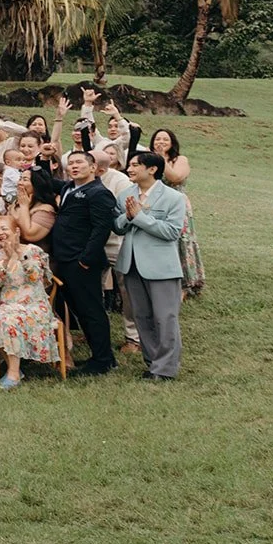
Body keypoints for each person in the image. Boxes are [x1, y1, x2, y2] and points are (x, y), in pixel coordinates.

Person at [115, 151, 187, 381]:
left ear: (152, 169)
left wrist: (140, 217)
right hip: (131, 265)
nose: (130, 168)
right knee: (142, 316)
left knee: (165, 318)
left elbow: (172, 232)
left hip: (161, 266)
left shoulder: (172, 197)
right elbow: (117, 226)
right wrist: (127, 216)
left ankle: (165, 368)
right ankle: (153, 362)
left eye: (136, 165)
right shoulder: (125, 194)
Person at [53, 149, 118, 375]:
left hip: (81, 262)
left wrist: (85, 260)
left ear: (93, 168)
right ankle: (101, 355)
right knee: (80, 311)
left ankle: (102, 361)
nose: (74, 166)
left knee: (92, 311)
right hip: (64, 259)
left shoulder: (99, 193)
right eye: (70, 163)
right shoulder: (68, 187)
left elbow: (102, 229)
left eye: (79, 162)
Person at [0, 214, 59, 389]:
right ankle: (14, 369)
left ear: (16, 231)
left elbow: (36, 277)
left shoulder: (33, 251)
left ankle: (13, 374)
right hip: (7, 304)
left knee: (11, 321)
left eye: (4, 229)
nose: (0, 233)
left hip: (33, 304)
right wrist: (7, 260)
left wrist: (19, 256)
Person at [148, 128, 204, 297]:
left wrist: (161, 160)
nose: (161, 142)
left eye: (165, 139)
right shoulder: (148, 160)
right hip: (155, 207)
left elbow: (175, 177)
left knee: (180, 242)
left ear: (172, 143)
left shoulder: (180, 159)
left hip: (177, 207)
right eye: (157, 139)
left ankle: (185, 285)